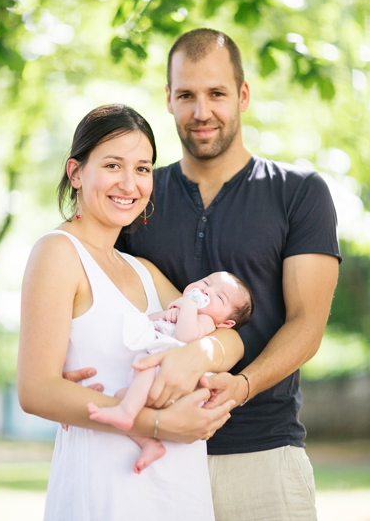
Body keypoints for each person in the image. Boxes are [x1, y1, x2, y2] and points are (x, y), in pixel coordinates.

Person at [63, 29, 339, 521]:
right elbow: (95, 286)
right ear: (168, 99)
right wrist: (70, 358)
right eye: (187, 95)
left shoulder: (299, 193)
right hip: (150, 456)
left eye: (217, 93)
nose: (201, 111)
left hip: (262, 455)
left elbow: (307, 323)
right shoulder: (137, 194)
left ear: (243, 95)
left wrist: (244, 384)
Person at [18, 103, 245, 520]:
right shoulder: (57, 253)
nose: (130, 183)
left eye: (143, 169)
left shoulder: (144, 271)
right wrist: (160, 426)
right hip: (106, 491)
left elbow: (229, 337)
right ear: (75, 173)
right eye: (112, 165)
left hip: (178, 491)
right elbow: (35, 391)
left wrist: (196, 354)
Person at [88, 271, 253, 473]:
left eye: (219, 297)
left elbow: (186, 336)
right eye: (205, 282)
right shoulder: (180, 308)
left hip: (177, 382)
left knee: (143, 374)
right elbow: (146, 324)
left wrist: (188, 308)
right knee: (120, 396)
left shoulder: (207, 321)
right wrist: (165, 315)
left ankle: (126, 412)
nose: (206, 291)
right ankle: (148, 443)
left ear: (225, 323)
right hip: (155, 376)